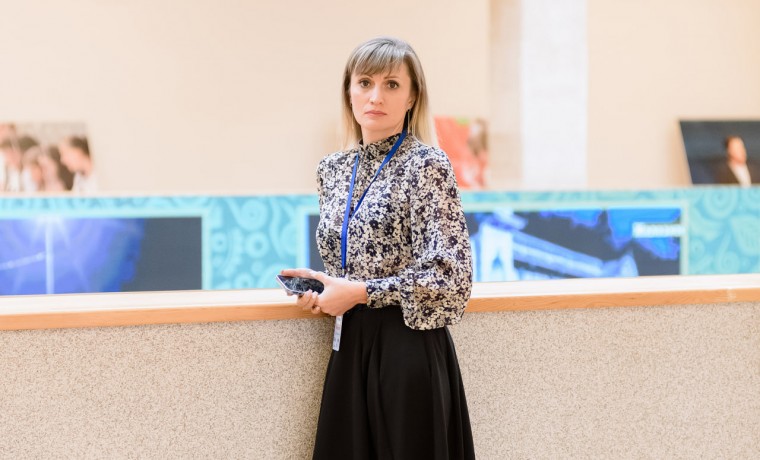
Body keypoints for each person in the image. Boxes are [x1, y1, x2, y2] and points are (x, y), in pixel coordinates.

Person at [281, 37, 475, 459]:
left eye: (391, 84)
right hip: (349, 343)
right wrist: (325, 288)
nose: (375, 96)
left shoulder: (427, 164)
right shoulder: (332, 170)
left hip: (407, 346)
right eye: (365, 82)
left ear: (412, 97)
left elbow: (452, 276)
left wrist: (362, 292)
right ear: (348, 91)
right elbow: (353, 261)